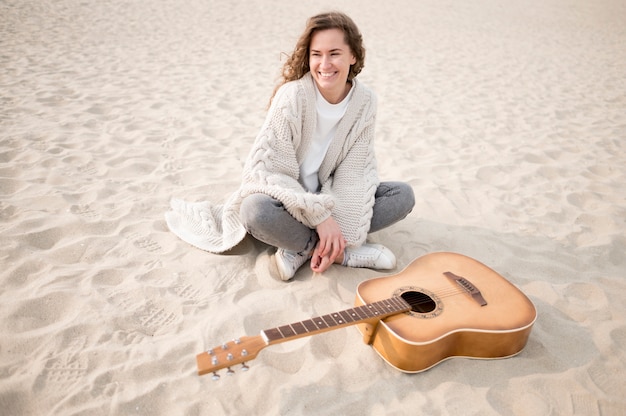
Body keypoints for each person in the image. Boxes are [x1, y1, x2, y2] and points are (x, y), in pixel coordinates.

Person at [165, 11, 415, 281]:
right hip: (284, 200)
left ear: (353, 55)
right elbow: (264, 172)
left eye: (334, 53)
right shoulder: (293, 97)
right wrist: (320, 218)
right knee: (254, 210)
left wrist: (333, 217)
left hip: (331, 198)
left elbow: (355, 174)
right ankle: (330, 251)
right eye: (316, 54)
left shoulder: (365, 101)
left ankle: (310, 247)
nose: (324, 64)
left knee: (402, 196)